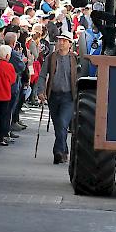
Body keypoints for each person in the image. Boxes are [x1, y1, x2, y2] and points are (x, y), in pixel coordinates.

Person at [37, 31, 79, 164]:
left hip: (68, 97)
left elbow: (80, 76)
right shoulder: (51, 57)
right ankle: (64, 149)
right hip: (53, 96)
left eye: (64, 41)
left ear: (70, 44)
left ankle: (58, 152)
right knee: (58, 126)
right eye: (59, 40)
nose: (61, 43)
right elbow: (43, 75)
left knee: (62, 122)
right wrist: (41, 90)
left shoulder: (74, 58)